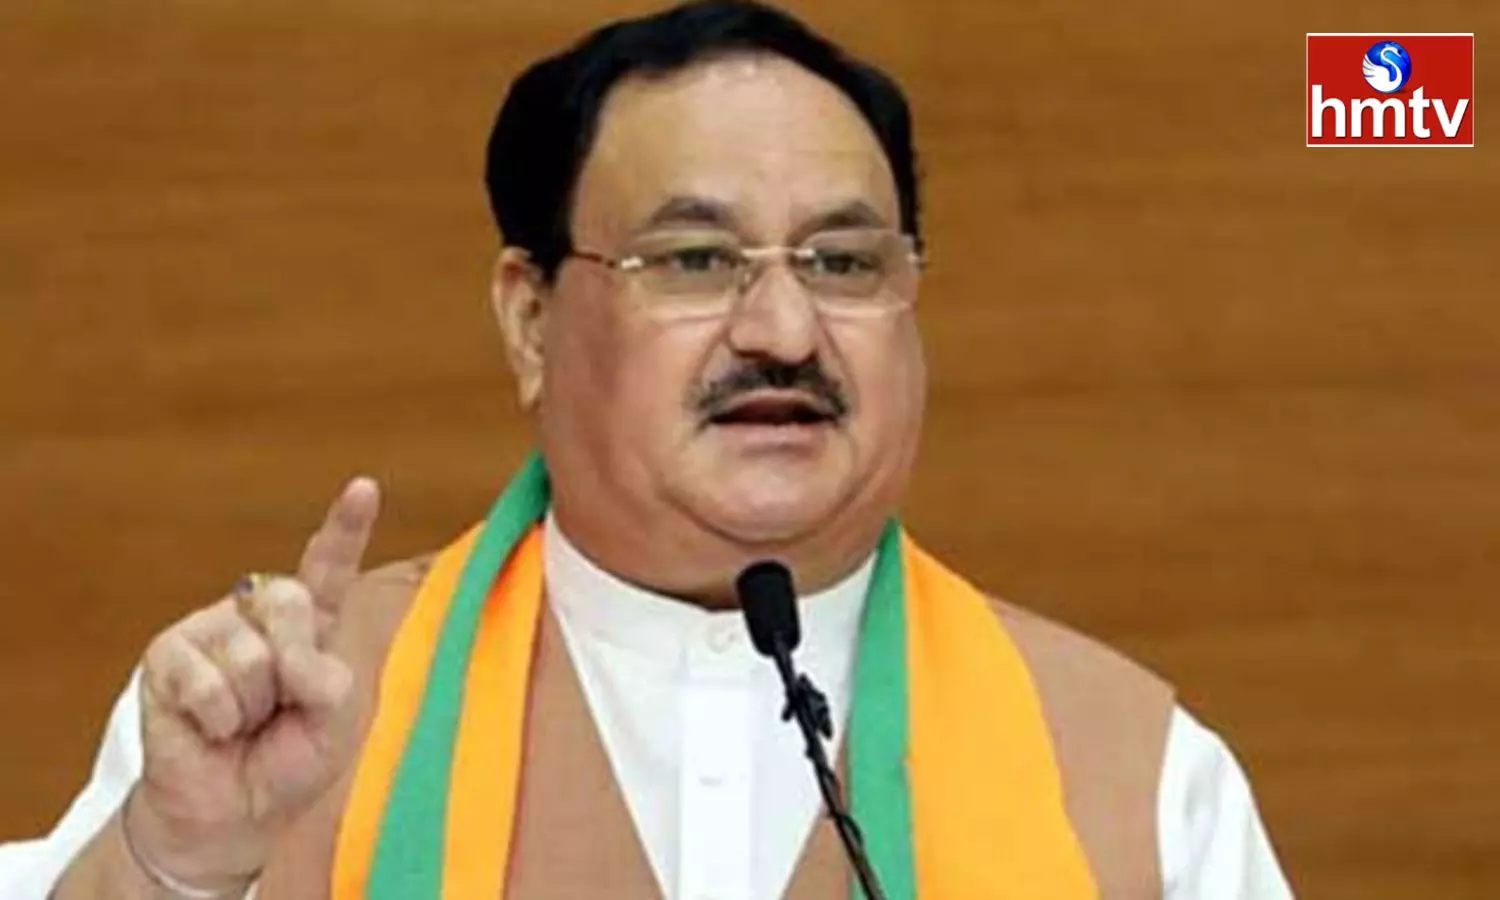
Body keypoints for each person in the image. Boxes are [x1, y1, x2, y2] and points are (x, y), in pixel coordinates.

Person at [0, 1, 1295, 897]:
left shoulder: (1137, 777)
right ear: (531, 319)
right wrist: (175, 870)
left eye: (844, 262)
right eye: (695, 260)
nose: (783, 330)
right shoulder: (276, 720)